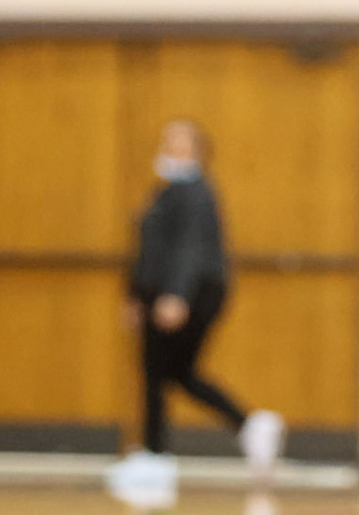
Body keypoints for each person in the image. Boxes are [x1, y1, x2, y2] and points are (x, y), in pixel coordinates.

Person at [117, 119, 281, 482]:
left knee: (158, 371)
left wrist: (177, 293)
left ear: (197, 151)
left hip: (186, 294)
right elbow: (150, 249)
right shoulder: (166, 193)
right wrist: (134, 296)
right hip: (162, 294)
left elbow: (188, 249)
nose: (167, 147)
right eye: (166, 140)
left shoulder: (196, 194)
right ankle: (248, 424)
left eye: (177, 142)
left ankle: (155, 455)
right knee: (176, 372)